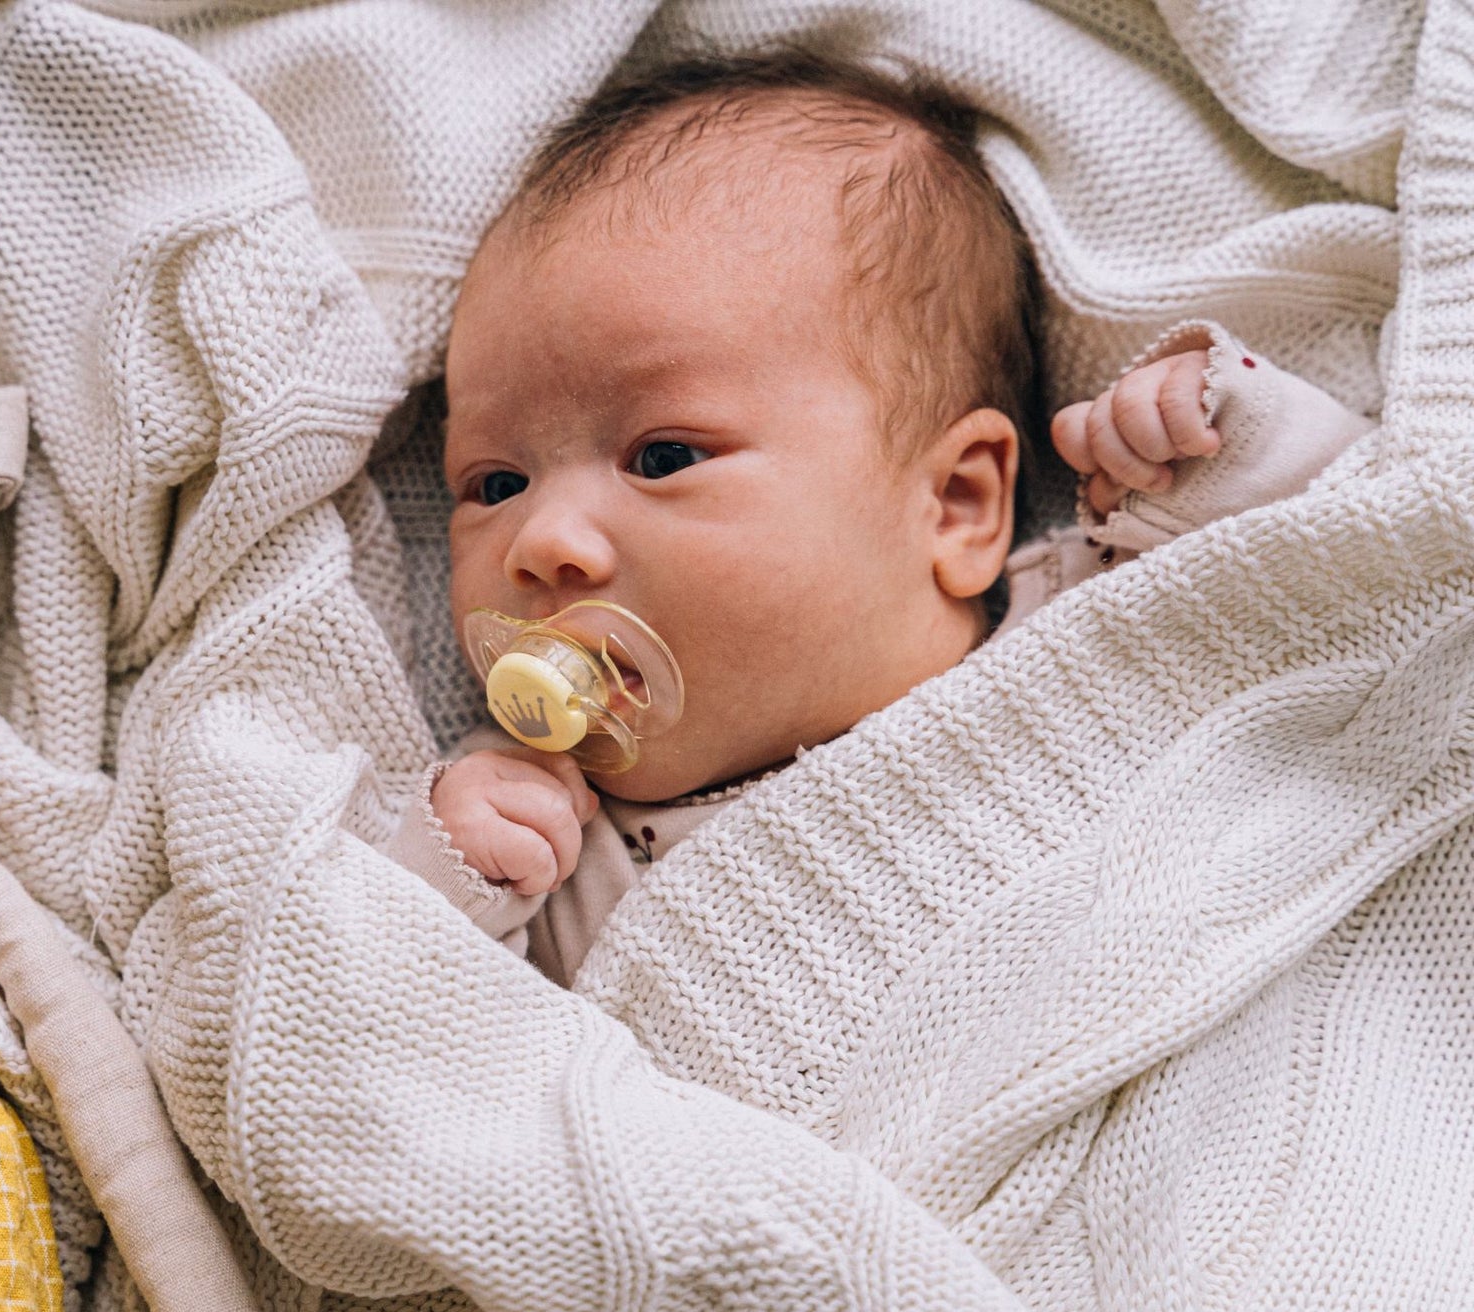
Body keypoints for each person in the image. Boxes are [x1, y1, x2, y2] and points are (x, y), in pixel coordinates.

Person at [383, 47, 1373, 985]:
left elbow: (1353, 578)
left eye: (663, 456)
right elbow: (421, 1044)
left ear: (955, 503)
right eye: (494, 484)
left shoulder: (1089, 618)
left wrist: (1224, 432)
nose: (542, 542)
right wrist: (441, 877)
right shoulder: (540, 831)